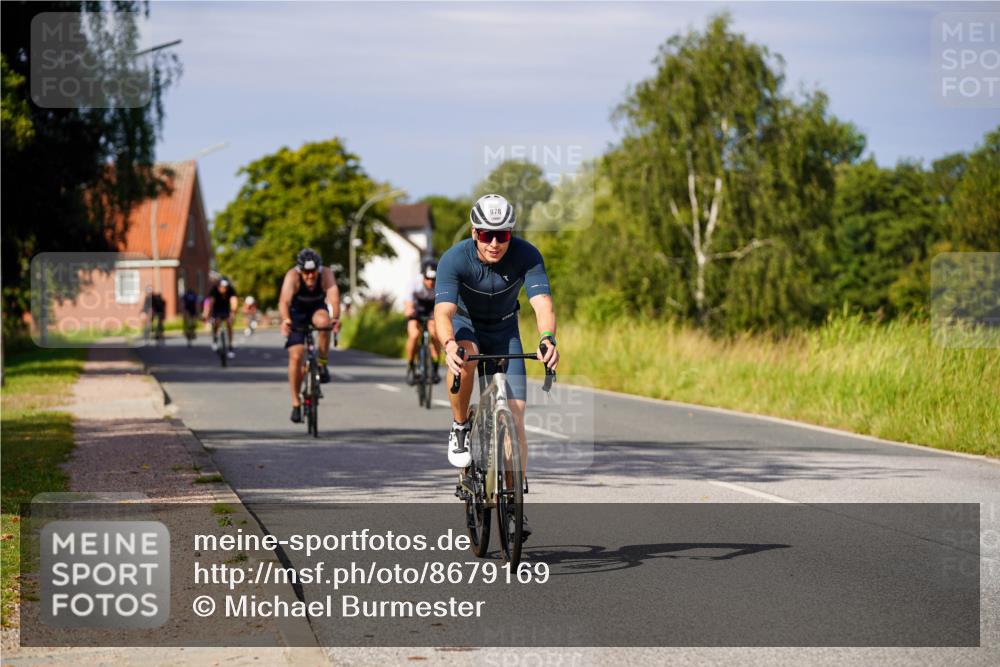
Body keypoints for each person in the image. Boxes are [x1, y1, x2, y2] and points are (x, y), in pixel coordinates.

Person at [434, 194, 559, 539]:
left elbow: (542, 303)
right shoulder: (453, 259)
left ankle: (514, 502)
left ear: (510, 234)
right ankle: (460, 426)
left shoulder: (527, 255)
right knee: (466, 357)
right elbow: (443, 313)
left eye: (502, 235)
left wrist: (547, 338)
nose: (493, 242)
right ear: (474, 232)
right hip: (466, 325)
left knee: (515, 413)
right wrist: (448, 346)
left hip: (505, 330)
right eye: (486, 234)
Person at [279, 248, 341, 424]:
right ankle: (296, 403)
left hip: (316, 310)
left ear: (318, 269)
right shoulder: (292, 276)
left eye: (313, 272)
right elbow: (284, 301)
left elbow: (334, 297)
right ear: (300, 271)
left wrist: (335, 317)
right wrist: (285, 320)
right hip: (296, 314)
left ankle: (322, 363)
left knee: (324, 323)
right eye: (306, 273)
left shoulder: (326, 274)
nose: (310, 277)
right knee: (296, 356)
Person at [404, 259, 442, 385]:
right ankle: (411, 365)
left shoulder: (441, 284)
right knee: (414, 335)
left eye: (433, 279)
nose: (430, 282)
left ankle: (435, 368)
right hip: (417, 308)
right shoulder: (414, 283)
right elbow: (408, 302)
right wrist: (409, 310)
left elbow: (443, 305)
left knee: (435, 334)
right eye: (427, 278)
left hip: (432, 307)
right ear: (422, 276)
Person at [206, 278, 238, 358]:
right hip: (216, 309)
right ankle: (215, 339)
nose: (224, 289)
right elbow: (210, 303)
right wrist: (208, 315)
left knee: (229, 324)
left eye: (225, 287)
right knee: (216, 322)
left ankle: (230, 347)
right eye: (222, 287)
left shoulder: (230, 290)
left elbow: (234, 301)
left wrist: (233, 312)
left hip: (226, 309)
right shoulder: (214, 290)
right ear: (219, 286)